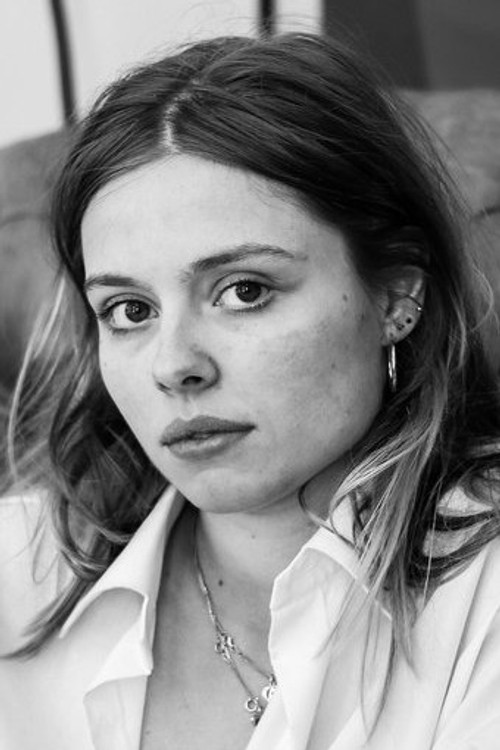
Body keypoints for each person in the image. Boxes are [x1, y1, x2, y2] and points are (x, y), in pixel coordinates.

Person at [1, 32, 500, 750]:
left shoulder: (481, 594)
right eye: (130, 311)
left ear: (396, 296)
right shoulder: (17, 568)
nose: (175, 365)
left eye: (244, 290)